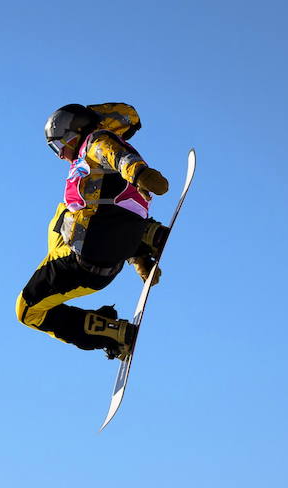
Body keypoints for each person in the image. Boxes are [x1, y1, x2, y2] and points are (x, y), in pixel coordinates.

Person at [16, 103, 171, 359]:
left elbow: (114, 153)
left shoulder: (94, 143)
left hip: (88, 260)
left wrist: (140, 173)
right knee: (62, 213)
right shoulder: (89, 167)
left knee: (27, 311)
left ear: (72, 133)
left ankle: (109, 333)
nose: (59, 155)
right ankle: (142, 241)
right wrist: (135, 254)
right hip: (110, 246)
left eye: (58, 145)